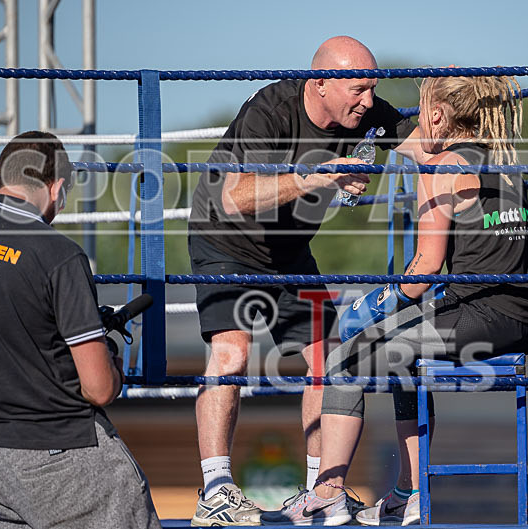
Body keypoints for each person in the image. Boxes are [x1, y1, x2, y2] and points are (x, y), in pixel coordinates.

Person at [262, 74, 528, 526]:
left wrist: (375, 304)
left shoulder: (441, 168)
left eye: (422, 111)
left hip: (481, 311)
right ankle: (409, 491)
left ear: (435, 115)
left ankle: (329, 494)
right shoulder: (506, 161)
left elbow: (424, 268)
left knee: (345, 360)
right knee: (399, 356)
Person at [187, 36, 425, 526]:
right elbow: (235, 197)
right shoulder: (270, 109)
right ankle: (215, 490)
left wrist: (462, 102)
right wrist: (320, 176)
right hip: (225, 238)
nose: (367, 99)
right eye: (358, 89)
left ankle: (323, 489)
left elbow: (425, 140)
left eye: (372, 88)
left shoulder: (368, 113)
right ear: (320, 84)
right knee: (231, 350)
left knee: (332, 357)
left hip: (288, 251)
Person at [0, 131, 161, 528]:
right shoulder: (58, 254)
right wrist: (111, 362)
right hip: (62, 448)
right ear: (57, 187)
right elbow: (99, 388)